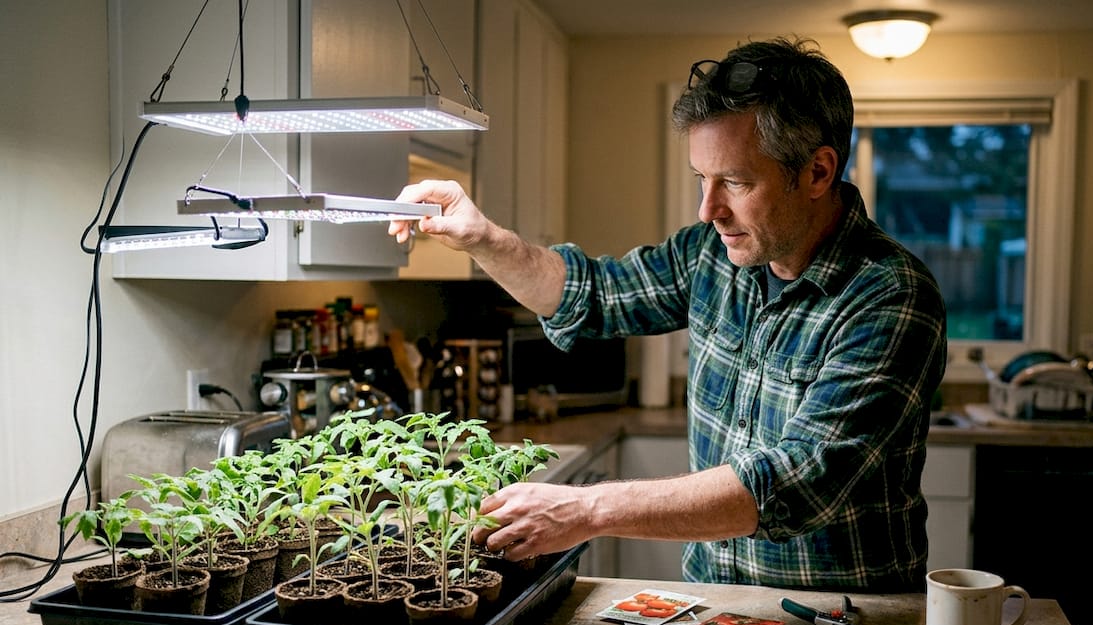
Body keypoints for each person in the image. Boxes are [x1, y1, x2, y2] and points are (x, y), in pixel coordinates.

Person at [389, 36, 947, 593]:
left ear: (818, 173)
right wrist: (483, 238)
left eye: (735, 181)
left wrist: (589, 508)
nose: (709, 209)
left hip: (849, 621)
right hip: (716, 607)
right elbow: (589, 294)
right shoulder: (711, 253)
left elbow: (796, 481)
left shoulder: (890, 296)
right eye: (702, 179)